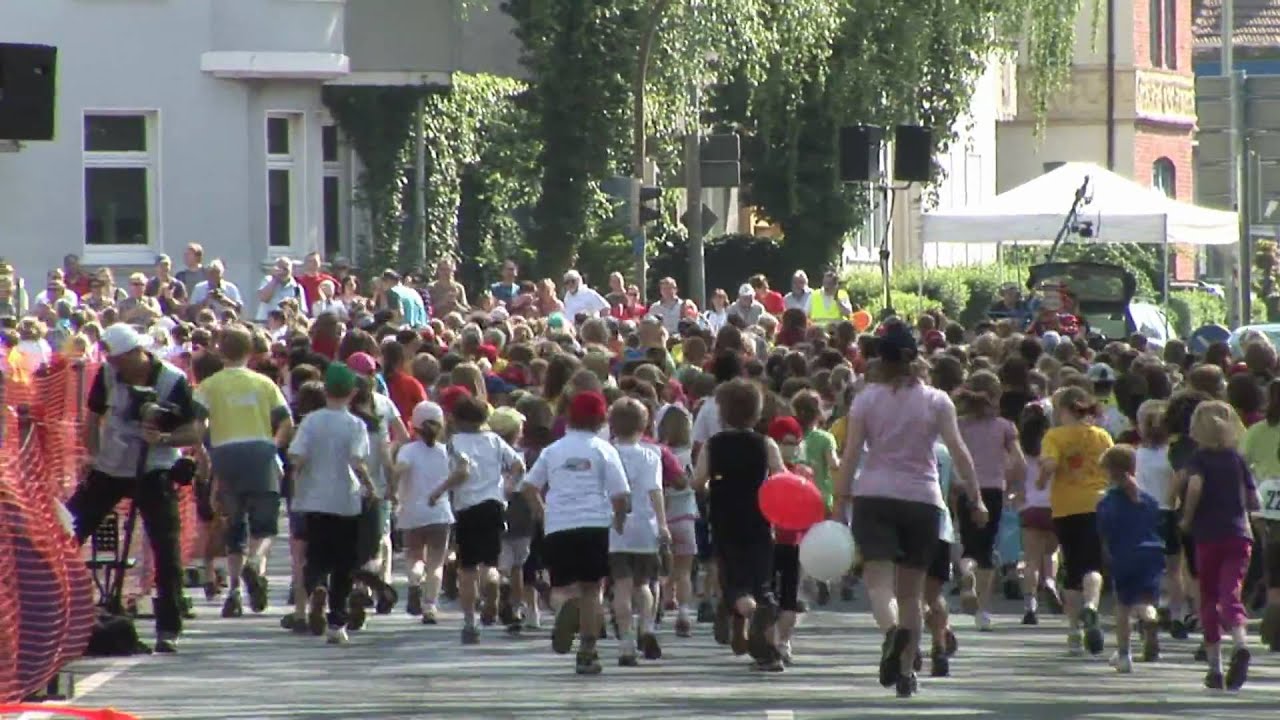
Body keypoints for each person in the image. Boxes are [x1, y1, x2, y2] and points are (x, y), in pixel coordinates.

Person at [835, 318, 984, 697]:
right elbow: (959, 451)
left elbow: (851, 455)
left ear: (879, 361)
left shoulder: (866, 400)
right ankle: (905, 672)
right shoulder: (938, 401)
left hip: (874, 496)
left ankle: (891, 634)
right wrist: (976, 497)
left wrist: (839, 504)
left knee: (878, 582)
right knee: (911, 594)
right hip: (923, 500)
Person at [67, 323, 202, 653]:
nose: (113, 366)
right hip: (111, 467)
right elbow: (92, 418)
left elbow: (196, 431)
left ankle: (168, 626)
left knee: (165, 547)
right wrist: (93, 456)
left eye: (118, 360)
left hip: (154, 466)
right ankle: (56, 611)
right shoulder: (109, 375)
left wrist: (165, 438)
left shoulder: (172, 380)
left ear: (135, 354)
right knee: (68, 528)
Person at [520, 390, 631, 675]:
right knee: (593, 589)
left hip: (560, 524)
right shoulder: (604, 449)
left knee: (562, 587)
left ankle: (564, 609)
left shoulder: (553, 450)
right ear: (600, 419)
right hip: (594, 524)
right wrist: (618, 518)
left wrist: (543, 513)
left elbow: (529, 486)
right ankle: (588, 651)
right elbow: (621, 495)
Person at [193, 324, 294, 618]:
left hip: (225, 454)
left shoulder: (208, 386)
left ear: (220, 352)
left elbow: (198, 426)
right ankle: (255, 563)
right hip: (260, 452)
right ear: (250, 351)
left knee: (233, 524)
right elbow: (285, 421)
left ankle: (235, 589)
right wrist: (273, 446)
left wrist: (203, 454)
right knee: (264, 526)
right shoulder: (264, 384)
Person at [693, 378, 787, 672]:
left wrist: (706, 493)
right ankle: (769, 649)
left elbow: (698, 481)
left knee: (733, 580)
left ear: (722, 413)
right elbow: (781, 477)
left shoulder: (714, 444)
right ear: (757, 413)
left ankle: (746, 610)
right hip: (759, 520)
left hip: (725, 519)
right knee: (761, 579)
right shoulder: (765, 443)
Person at [288, 362, 376, 645]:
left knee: (316, 555)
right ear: (352, 392)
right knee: (344, 563)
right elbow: (356, 460)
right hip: (346, 500)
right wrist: (369, 484)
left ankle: (316, 587)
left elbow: (297, 457)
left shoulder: (311, 421)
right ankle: (337, 622)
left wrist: (297, 480)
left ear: (325, 390)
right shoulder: (355, 424)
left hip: (314, 499)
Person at [1181, 400, 1261, 690]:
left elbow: (1195, 486)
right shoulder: (1236, 459)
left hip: (1208, 535)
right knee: (1232, 591)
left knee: (1208, 597)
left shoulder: (1198, 460)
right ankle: (1240, 642)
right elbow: (1254, 499)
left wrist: (1187, 518)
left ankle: (1214, 666)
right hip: (1239, 533)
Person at [433, 392, 525, 644]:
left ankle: (470, 622)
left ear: (457, 419)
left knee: (467, 568)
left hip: (467, 508)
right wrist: (507, 485)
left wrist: (439, 491)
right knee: (490, 562)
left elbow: (462, 471)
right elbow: (518, 465)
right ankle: (494, 583)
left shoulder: (455, 442)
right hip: (494, 505)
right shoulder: (494, 440)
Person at [1038, 385, 1113, 657]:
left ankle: (1073, 630)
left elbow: (1049, 465)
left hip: (1067, 506)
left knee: (1071, 567)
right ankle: (1092, 607)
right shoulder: (1102, 436)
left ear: (1064, 410)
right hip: (1098, 503)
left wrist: (1040, 480)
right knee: (1093, 564)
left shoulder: (1055, 436)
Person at [953, 370, 1025, 630]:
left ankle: (965, 573)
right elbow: (1019, 461)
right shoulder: (1006, 427)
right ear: (996, 397)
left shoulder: (959, 424)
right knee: (986, 550)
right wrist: (1015, 488)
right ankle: (982, 611)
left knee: (968, 543)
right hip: (993, 489)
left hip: (965, 489)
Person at [607, 397, 670, 666]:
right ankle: (647, 627)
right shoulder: (651, 454)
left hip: (614, 526)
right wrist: (663, 524)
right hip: (645, 525)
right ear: (645, 425)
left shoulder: (606, 452)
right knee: (644, 584)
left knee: (621, 586)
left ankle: (626, 642)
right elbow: (655, 491)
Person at [1096, 444, 1164, 673]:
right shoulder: (1148, 500)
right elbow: (1156, 522)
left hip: (1124, 555)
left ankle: (1124, 654)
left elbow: (1104, 533)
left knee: (1123, 607)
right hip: (1152, 553)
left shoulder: (1107, 502)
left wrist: (1106, 558)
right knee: (1146, 600)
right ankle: (1150, 619)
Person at [392, 401, 460, 625]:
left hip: (412, 513)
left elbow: (400, 469)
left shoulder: (407, 450)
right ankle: (430, 606)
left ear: (415, 426)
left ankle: (414, 583)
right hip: (439, 513)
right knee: (436, 563)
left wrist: (393, 485)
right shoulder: (446, 451)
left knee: (414, 556)